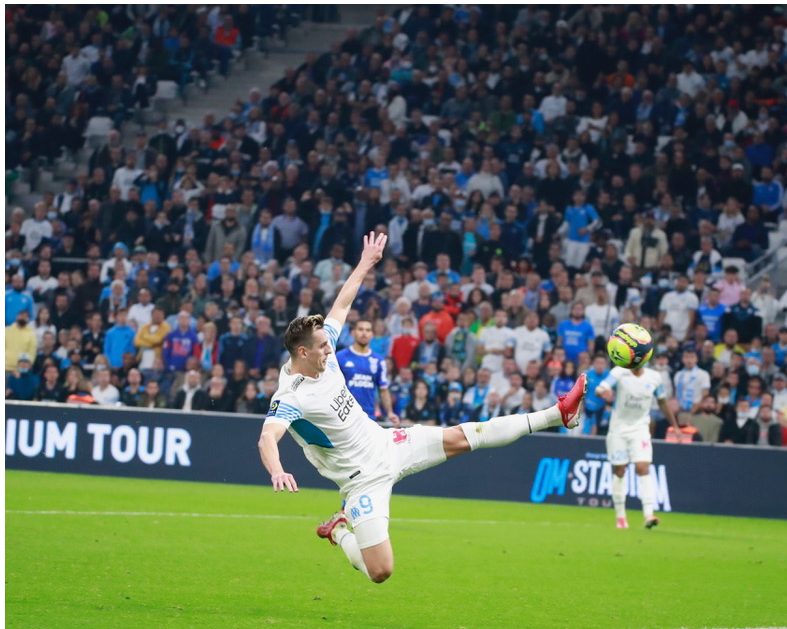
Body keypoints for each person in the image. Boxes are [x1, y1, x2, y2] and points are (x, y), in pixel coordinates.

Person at [258, 232, 588, 584]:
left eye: (328, 342)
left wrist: (366, 262)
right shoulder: (291, 395)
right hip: (362, 481)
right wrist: (277, 470)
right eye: (323, 346)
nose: (330, 349)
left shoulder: (323, 352)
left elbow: (341, 304)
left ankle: (557, 414)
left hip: (389, 444)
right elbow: (267, 437)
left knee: (469, 435)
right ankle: (339, 530)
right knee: (380, 571)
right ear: (303, 353)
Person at [596, 362, 682, 530]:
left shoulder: (654, 377)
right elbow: (600, 388)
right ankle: (621, 517)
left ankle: (648, 514)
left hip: (640, 429)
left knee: (643, 467)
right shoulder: (619, 372)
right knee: (619, 470)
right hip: (618, 429)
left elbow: (663, 402)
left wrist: (675, 426)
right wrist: (603, 392)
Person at [336, 319, 399, 426]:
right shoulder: (340, 357)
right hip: (344, 415)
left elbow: (383, 389)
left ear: (372, 334)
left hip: (368, 416)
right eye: (360, 329)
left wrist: (390, 412)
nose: (364, 333)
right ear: (353, 332)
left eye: (368, 330)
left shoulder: (378, 360)